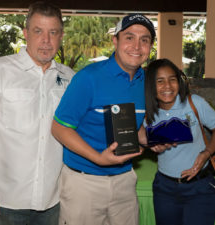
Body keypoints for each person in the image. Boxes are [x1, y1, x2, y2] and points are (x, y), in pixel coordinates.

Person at [51, 13, 156, 225]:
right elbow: (59, 129)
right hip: (84, 183)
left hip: (125, 180)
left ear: (150, 47)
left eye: (144, 40)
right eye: (129, 37)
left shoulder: (146, 81)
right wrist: (99, 158)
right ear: (115, 41)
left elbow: (133, 129)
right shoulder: (88, 78)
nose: (137, 46)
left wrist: (154, 140)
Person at [0, 2, 74, 225]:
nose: (46, 40)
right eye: (38, 31)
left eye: (53, 32)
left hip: (53, 202)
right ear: (26, 33)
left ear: (61, 36)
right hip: (5, 202)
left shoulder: (71, 79)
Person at [144, 58, 215, 225]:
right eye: (159, 81)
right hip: (164, 189)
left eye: (172, 79)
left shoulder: (194, 103)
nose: (167, 86)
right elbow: (142, 143)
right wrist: (149, 146)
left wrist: (206, 153)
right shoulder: (147, 114)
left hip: (200, 187)